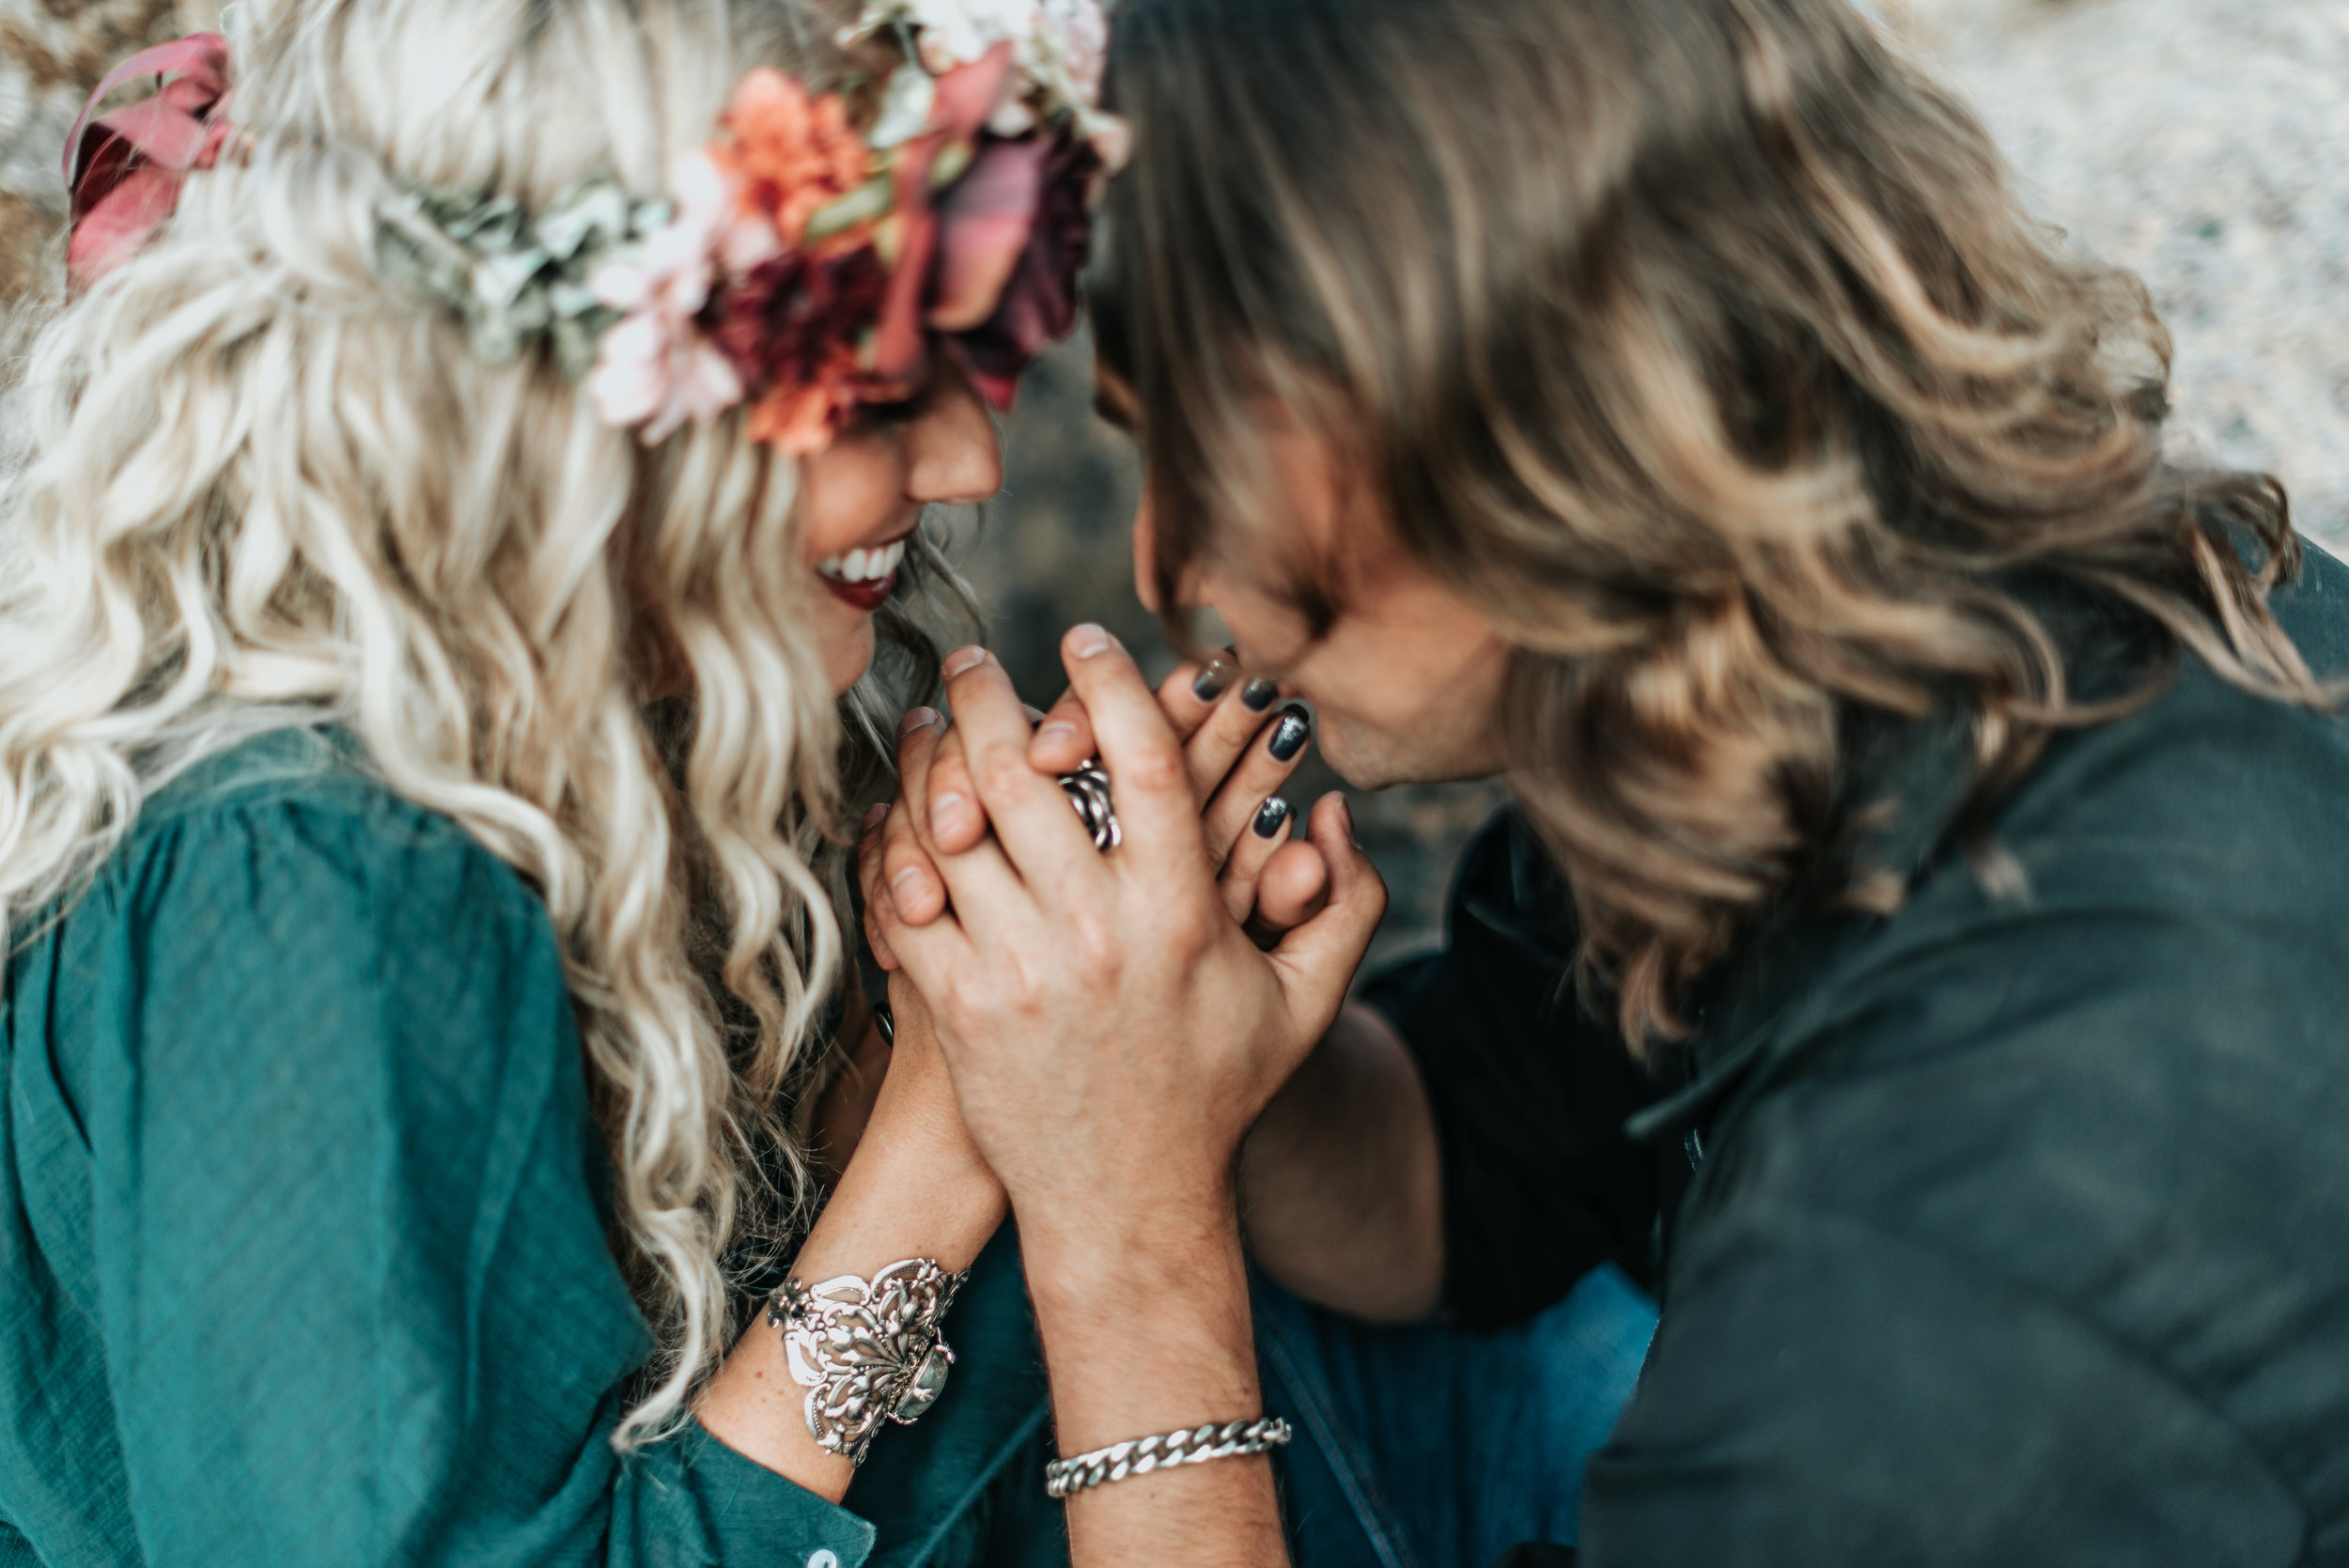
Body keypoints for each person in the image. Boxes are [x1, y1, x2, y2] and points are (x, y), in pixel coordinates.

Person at [863, 0, 2349, 1561]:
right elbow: (1472, 1176)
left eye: (1211, 458)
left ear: (1539, 410)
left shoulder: (1992, 1223)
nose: (1170, 568)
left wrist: (1128, 1234)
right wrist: (1185, 1017)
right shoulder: (1828, 663)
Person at [0, 1, 1251, 1563]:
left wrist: (1033, 977)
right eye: (878, 394)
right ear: (587, 414)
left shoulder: (632, 710)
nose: (970, 469)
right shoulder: (308, 885)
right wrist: (955, 1131)